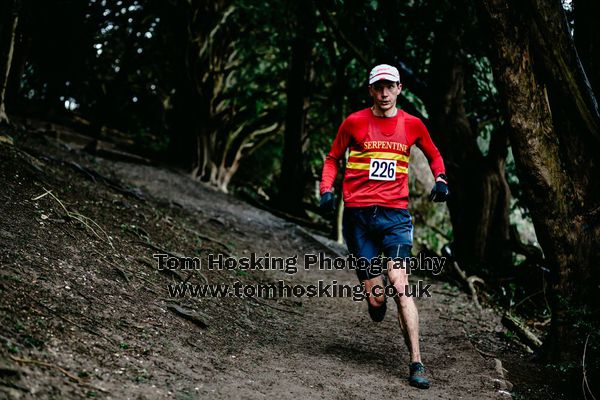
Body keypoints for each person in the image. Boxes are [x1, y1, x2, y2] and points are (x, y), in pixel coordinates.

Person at [319, 64, 449, 389]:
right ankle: (375, 300)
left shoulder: (413, 125)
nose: (385, 93)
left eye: (390, 86)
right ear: (371, 91)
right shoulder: (354, 122)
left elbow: (433, 154)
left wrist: (442, 179)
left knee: (400, 282)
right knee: (377, 299)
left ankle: (417, 361)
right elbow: (333, 158)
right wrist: (326, 190)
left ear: (400, 88)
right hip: (359, 218)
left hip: (395, 217)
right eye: (379, 87)